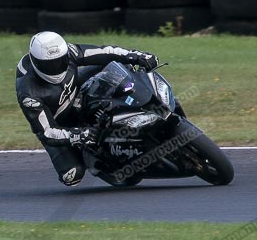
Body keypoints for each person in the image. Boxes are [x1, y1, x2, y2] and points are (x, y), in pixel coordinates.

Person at [15, 31, 159, 187]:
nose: (55, 68)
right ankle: (93, 155)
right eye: (48, 65)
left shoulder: (70, 51)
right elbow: (47, 132)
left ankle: (141, 104)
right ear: (36, 63)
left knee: (118, 64)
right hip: (59, 123)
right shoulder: (28, 93)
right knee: (71, 175)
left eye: (60, 61)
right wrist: (78, 135)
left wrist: (136, 55)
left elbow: (104, 51)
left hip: (75, 89)